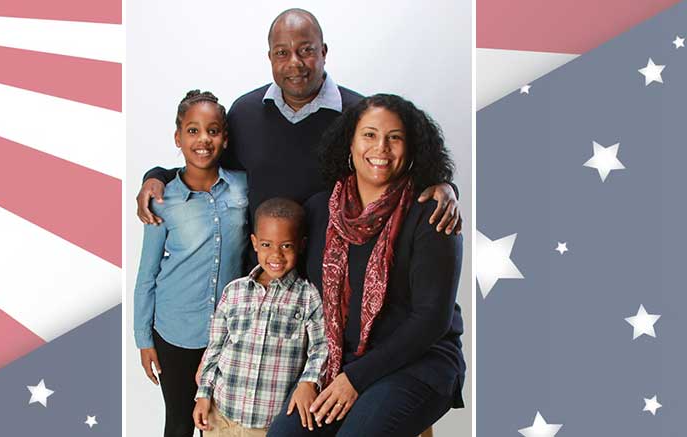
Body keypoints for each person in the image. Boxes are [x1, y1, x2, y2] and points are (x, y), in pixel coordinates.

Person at [137, 8, 462, 238]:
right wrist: (158, 177)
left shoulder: (360, 114)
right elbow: (208, 170)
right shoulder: (245, 112)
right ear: (270, 58)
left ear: (323, 51)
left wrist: (446, 186)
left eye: (306, 50)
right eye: (282, 53)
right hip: (263, 277)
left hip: (339, 279)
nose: (294, 63)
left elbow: (396, 167)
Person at [267, 94, 465, 436]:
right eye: (370, 135)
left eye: (395, 137)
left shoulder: (432, 214)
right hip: (339, 363)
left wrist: (355, 379)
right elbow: (293, 286)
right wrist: (309, 376)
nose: (381, 148)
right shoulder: (319, 210)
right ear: (351, 142)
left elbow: (432, 320)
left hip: (418, 364)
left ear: (412, 147)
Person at [133, 90, 248, 437]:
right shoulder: (162, 199)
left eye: (213, 130)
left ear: (225, 138)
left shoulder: (244, 188)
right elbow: (147, 274)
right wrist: (143, 339)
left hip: (231, 333)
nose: (203, 139)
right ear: (178, 137)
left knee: (220, 425)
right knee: (181, 423)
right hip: (176, 332)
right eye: (193, 130)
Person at [193, 198, 328, 436]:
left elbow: (321, 347)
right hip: (221, 416)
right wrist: (204, 394)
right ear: (254, 243)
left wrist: (309, 381)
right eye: (266, 244)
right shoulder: (234, 292)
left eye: (286, 246)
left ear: (301, 245)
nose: (275, 254)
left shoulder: (308, 296)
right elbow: (215, 348)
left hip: (268, 424)